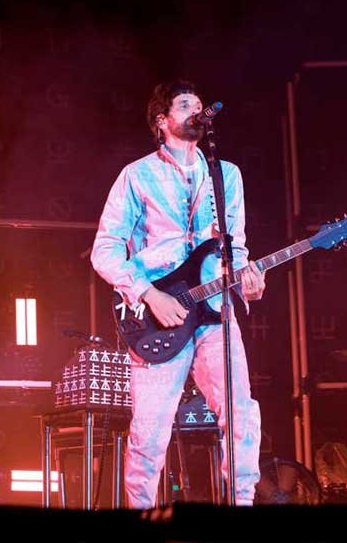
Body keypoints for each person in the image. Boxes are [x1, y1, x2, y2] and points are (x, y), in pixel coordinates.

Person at [91, 80, 266, 507]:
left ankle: (242, 504)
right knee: (150, 431)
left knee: (241, 413)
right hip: (158, 314)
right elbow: (105, 250)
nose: (198, 111)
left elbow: (234, 246)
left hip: (215, 311)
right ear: (162, 120)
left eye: (200, 105)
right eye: (186, 105)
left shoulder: (226, 175)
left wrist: (247, 278)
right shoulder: (137, 176)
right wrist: (149, 294)